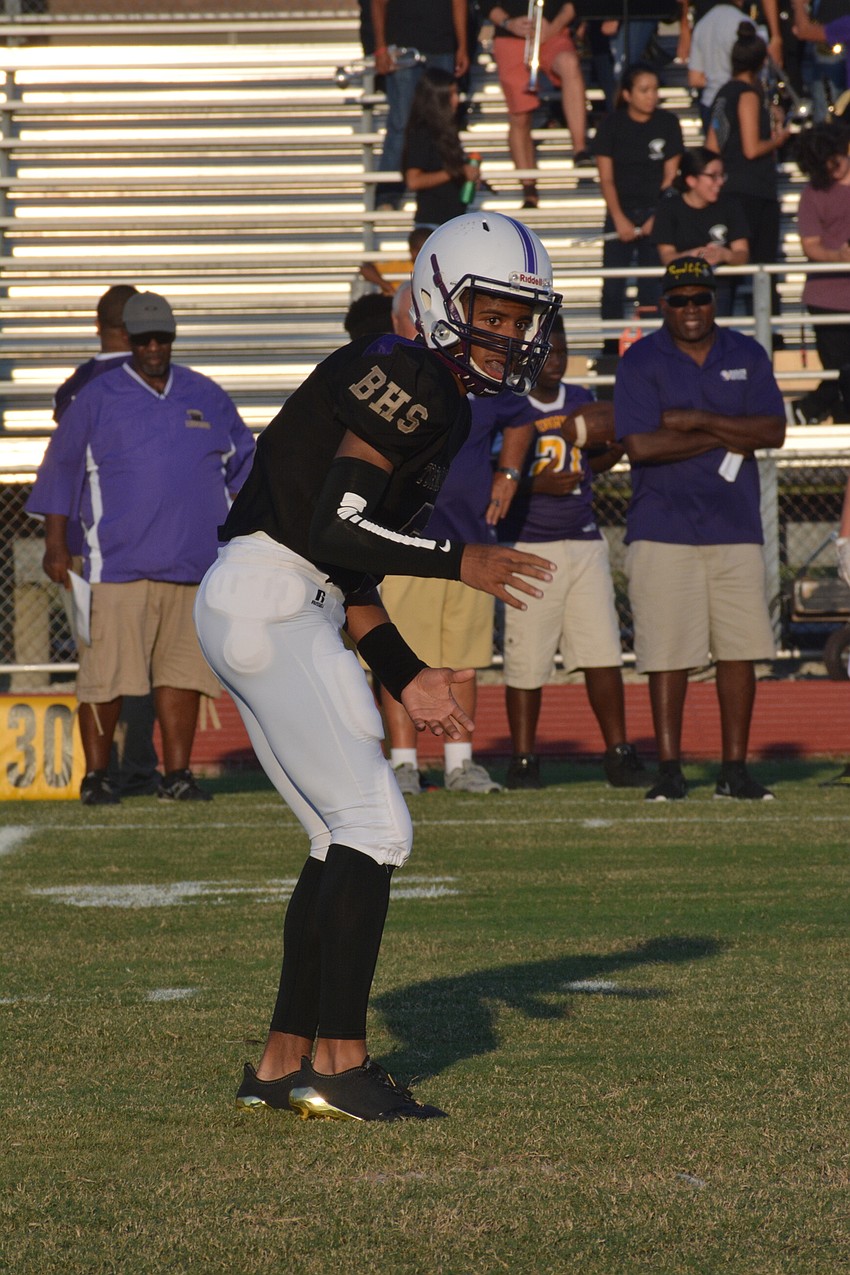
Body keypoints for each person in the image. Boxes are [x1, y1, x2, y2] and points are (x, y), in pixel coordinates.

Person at [192, 212, 561, 1122]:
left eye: (521, 320)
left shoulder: (422, 382)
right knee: (377, 827)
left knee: (338, 837)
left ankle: (283, 1062)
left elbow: (347, 562)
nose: (507, 335)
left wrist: (403, 670)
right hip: (276, 596)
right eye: (493, 312)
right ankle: (343, 1063)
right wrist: (458, 556)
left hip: (272, 598)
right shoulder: (410, 375)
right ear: (439, 296)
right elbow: (335, 528)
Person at [27, 291, 256, 806]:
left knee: (182, 676)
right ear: (128, 341)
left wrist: (250, 536)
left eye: (163, 338)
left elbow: (246, 468)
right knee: (104, 677)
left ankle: (176, 776)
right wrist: (56, 544)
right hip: (118, 564)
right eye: (144, 339)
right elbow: (61, 469)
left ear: (173, 339)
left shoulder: (206, 393)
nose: (154, 347)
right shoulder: (97, 397)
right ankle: (97, 777)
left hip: (195, 564)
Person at [614, 257, 786, 801]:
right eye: (680, 300)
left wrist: (696, 421)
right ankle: (670, 767)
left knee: (740, 650)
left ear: (716, 300)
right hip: (661, 524)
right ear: (663, 304)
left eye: (701, 298)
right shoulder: (642, 358)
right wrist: (731, 434)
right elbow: (640, 445)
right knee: (668, 654)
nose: (691, 309)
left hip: (734, 525)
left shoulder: (747, 352)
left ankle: (734, 769)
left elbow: (775, 431)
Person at [491, 314, 650, 791]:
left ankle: (618, 751)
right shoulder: (507, 403)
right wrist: (535, 483)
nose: (557, 362)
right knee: (526, 660)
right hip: (527, 542)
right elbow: (491, 475)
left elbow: (600, 457)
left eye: (563, 353)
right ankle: (523, 758)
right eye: (548, 353)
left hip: (583, 538)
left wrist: (611, 449)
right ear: (530, 355)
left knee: (602, 651)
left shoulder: (581, 401)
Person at [378, 280, 503, 795]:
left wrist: (510, 474)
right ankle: (404, 763)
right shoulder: (386, 373)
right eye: (413, 318)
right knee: (400, 654)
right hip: (406, 542)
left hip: (468, 543)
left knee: (464, 658)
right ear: (399, 323)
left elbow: (518, 416)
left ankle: (459, 763)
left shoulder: (472, 374)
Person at [53, 283, 163, 796]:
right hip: (160, 543)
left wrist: (61, 540)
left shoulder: (81, 384)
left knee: (99, 660)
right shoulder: (153, 379)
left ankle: (103, 771)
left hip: (90, 545)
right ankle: (140, 764)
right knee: (150, 663)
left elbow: (67, 465)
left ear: (99, 326)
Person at [593, 62, 683, 352]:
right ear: (628, 94)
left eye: (655, 89)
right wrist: (619, 218)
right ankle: (609, 349)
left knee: (652, 286)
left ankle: (654, 347)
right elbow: (606, 178)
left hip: (656, 215)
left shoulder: (668, 123)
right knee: (613, 287)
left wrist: (658, 216)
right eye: (644, 90)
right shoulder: (611, 125)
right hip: (620, 213)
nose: (651, 96)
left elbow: (672, 177)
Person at [707, 22, 791, 319]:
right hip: (754, 190)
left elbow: (711, 145)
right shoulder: (748, 94)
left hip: (728, 190)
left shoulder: (722, 94)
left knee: (729, 273)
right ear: (760, 63)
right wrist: (779, 139)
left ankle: (725, 326)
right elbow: (752, 148)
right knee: (763, 267)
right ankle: (771, 332)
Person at [486, 1, 592, 209]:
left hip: (552, 32)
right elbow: (486, 4)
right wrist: (509, 23)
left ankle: (580, 150)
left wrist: (550, 29)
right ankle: (529, 188)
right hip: (511, 36)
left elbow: (571, 5)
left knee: (569, 63)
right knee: (520, 116)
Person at [372, 0, 470, 210]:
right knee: (401, 121)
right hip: (403, 46)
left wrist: (462, 45)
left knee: (443, 119)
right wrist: (380, 47)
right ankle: (388, 193)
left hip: (442, 45)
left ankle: (448, 188)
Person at [789, 121, 850, 424]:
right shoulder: (812, 193)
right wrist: (838, 257)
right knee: (840, 372)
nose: (833, 168)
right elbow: (810, 245)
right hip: (827, 296)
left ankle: (807, 409)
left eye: (835, 159)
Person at [652, 147, 750, 316]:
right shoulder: (669, 207)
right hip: (680, 288)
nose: (720, 182)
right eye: (713, 176)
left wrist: (724, 255)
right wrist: (691, 256)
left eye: (721, 176)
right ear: (691, 180)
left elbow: (742, 253)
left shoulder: (730, 205)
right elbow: (666, 256)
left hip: (719, 288)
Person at [402, 67, 482, 226]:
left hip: (453, 221)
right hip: (432, 223)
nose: (456, 100)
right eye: (451, 94)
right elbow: (413, 180)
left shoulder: (447, 130)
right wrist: (457, 171)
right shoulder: (422, 132)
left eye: (456, 93)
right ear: (437, 98)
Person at [358, 224, 431, 297]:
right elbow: (365, 269)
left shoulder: (435, 265)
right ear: (413, 251)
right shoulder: (399, 266)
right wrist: (386, 285)